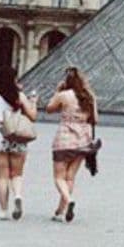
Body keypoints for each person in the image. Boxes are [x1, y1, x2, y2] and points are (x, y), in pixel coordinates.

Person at [46, 67, 98, 223]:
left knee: (59, 177)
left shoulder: (63, 95)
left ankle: (68, 201)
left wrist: (57, 91)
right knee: (70, 178)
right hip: (83, 139)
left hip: (65, 139)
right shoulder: (90, 97)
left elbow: (49, 109)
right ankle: (60, 212)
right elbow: (95, 119)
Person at [0, 65, 38, 221]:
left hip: (1, 133)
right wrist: (33, 102)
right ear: (14, 78)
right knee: (17, 174)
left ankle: (3, 211)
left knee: (2, 176)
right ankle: (17, 195)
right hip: (17, 134)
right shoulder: (19, 95)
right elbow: (32, 116)